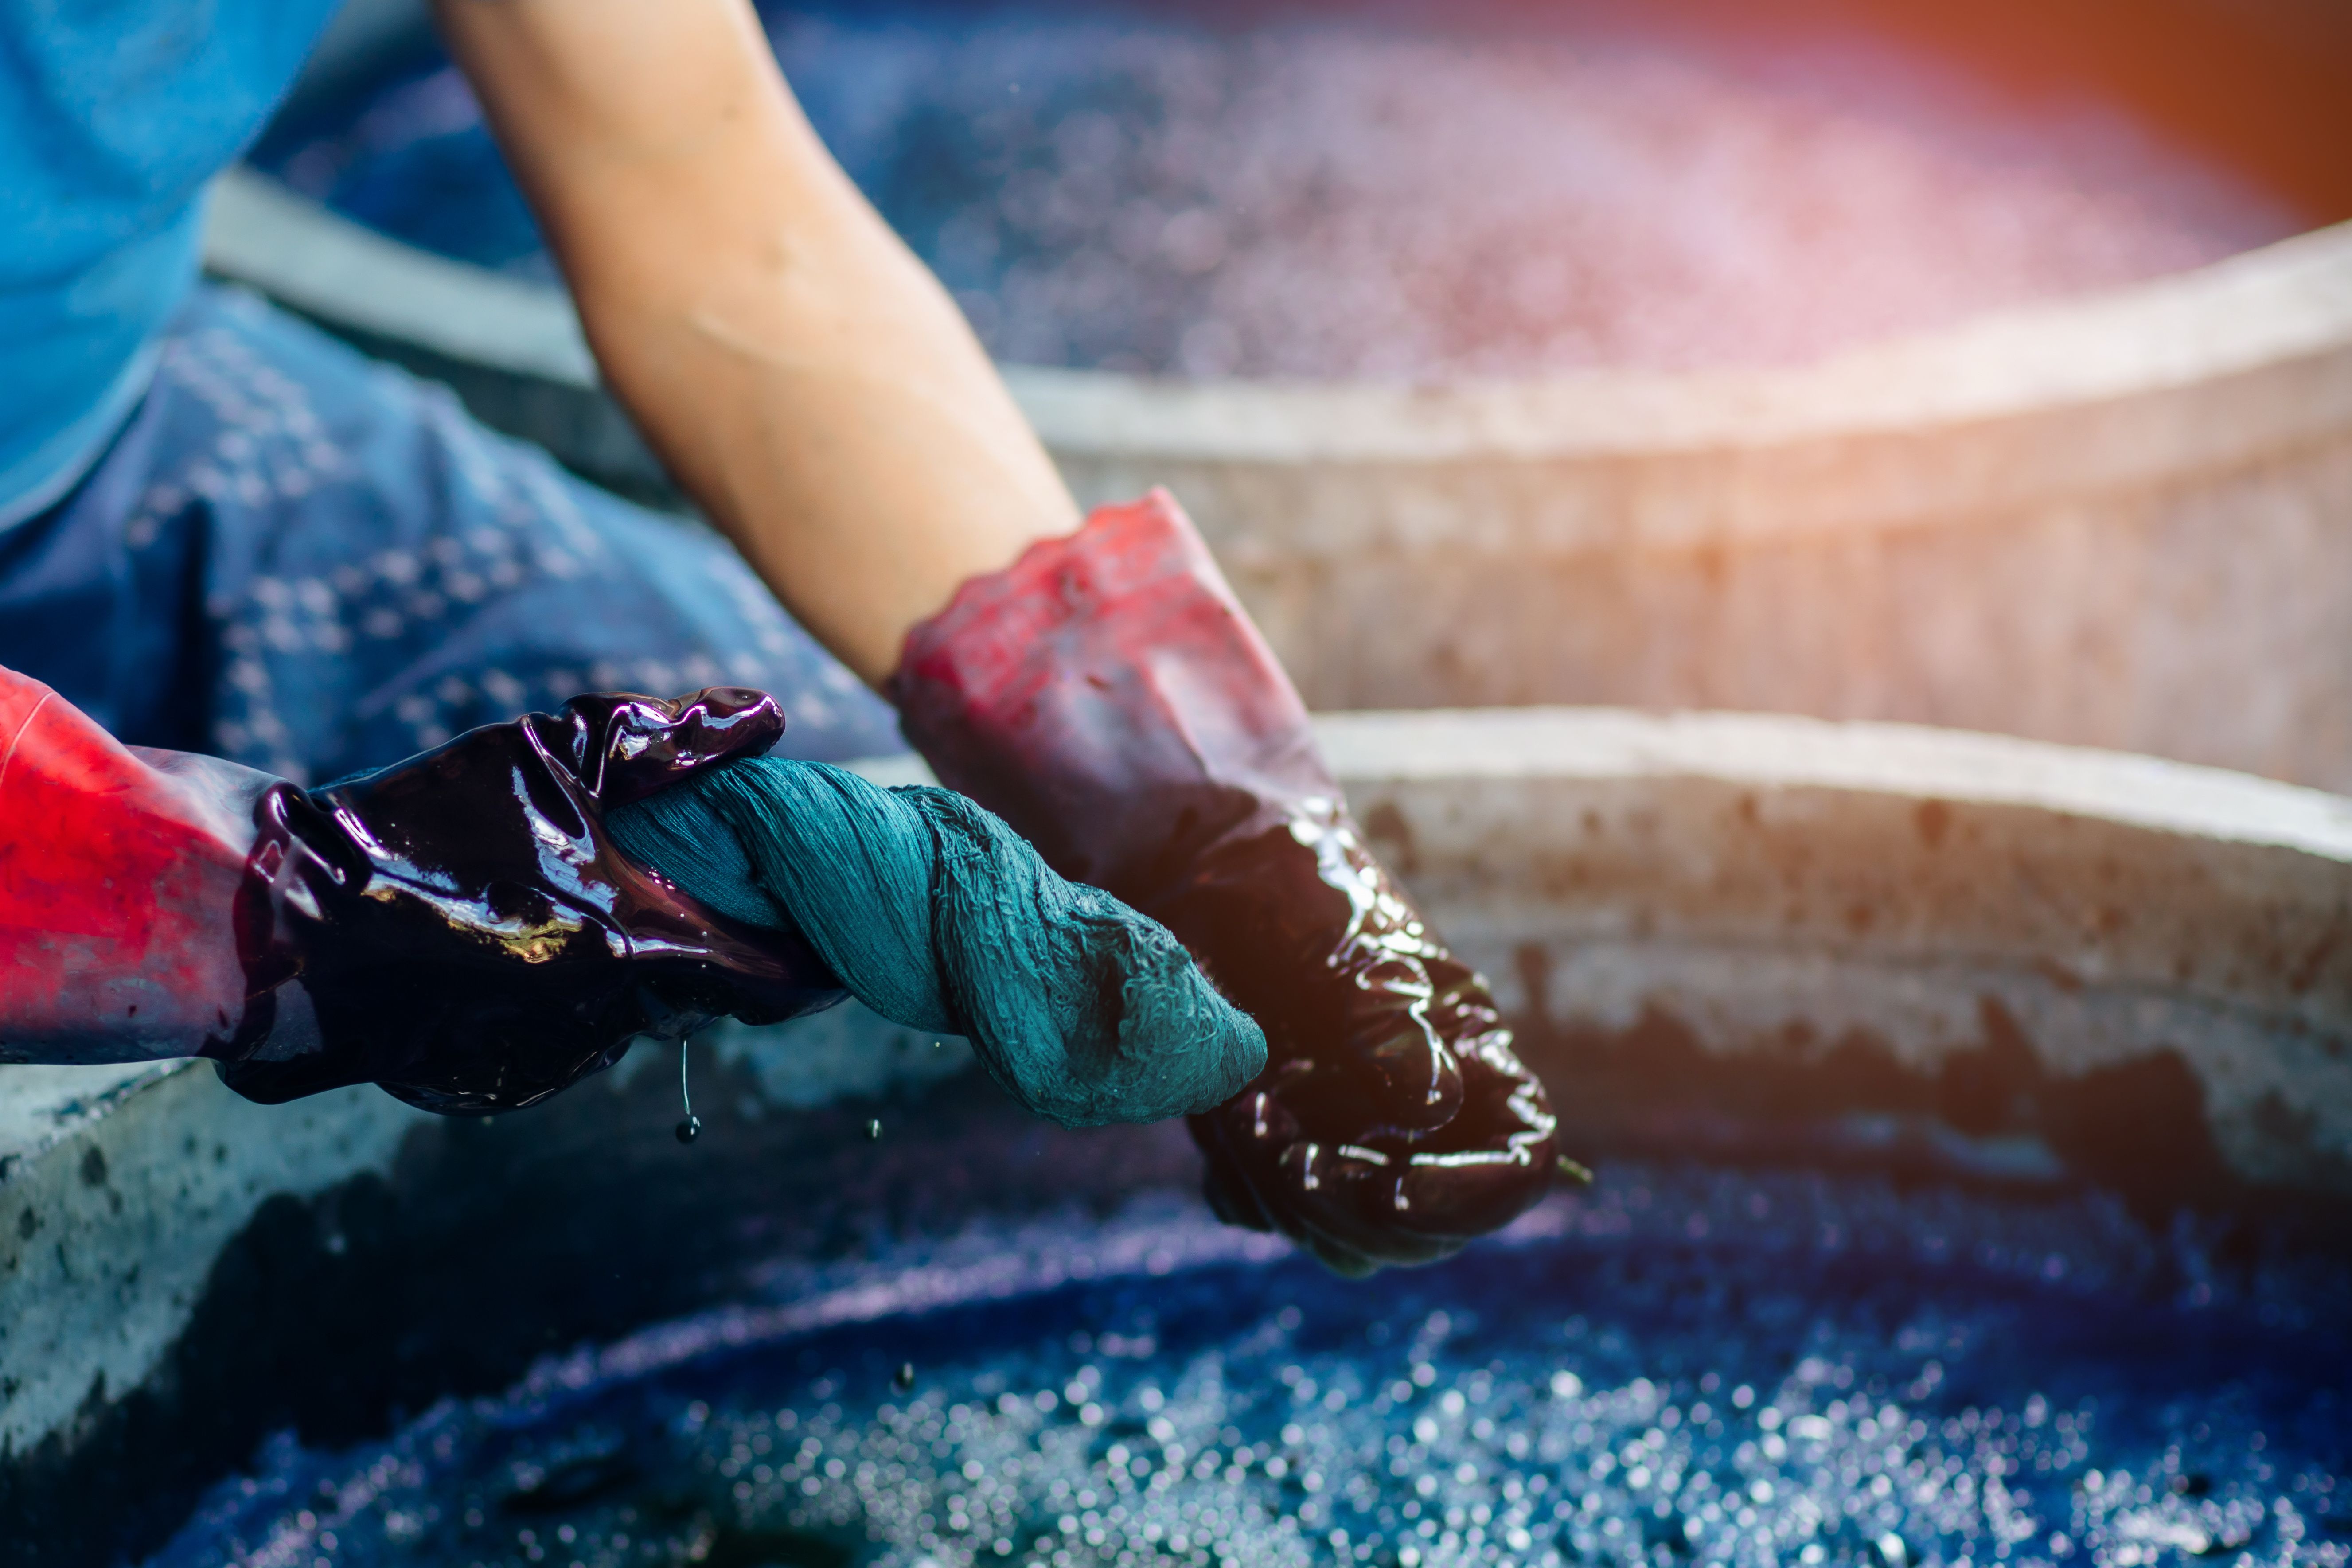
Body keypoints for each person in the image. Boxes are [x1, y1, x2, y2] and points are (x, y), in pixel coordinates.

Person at [0, 0, 1558, 1273]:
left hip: (99, 429)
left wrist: (1202, 805)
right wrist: (295, 901)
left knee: (830, 780)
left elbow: (715, 210)